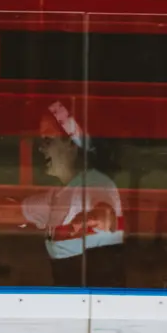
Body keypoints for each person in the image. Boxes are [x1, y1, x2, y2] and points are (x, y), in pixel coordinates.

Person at [20, 101, 126, 288]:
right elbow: (14, 212)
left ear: (70, 142)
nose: (41, 148)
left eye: (47, 140)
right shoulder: (61, 194)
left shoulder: (95, 183)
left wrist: (97, 218)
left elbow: (106, 214)